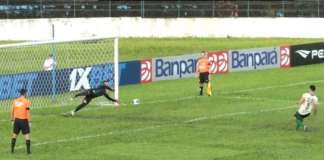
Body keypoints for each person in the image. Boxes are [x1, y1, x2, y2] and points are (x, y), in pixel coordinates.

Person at [11, 88, 32, 154]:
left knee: (14, 135)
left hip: (16, 120)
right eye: (26, 93)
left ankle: (12, 150)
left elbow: (12, 111)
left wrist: (12, 120)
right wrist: (29, 121)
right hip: (24, 120)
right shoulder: (27, 101)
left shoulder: (15, 101)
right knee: (27, 136)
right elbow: (28, 112)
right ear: (25, 93)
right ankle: (28, 152)